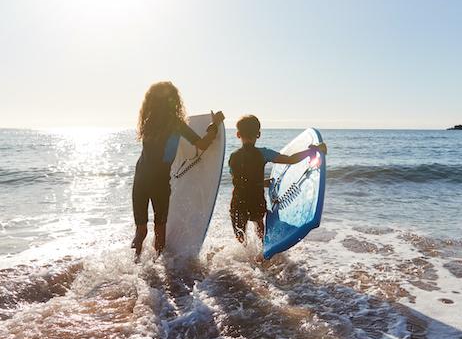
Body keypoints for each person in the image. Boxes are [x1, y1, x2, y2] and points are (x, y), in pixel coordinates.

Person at [132, 81, 224, 258]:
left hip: (140, 179)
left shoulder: (147, 122)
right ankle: (158, 265)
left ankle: (136, 264)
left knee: (141, 230)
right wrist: (214, 126)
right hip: (159, 182)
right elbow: (203, 144)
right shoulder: (176, 124)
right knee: (160, 229)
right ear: (174, 101)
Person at [228, 115, 327, 244]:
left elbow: (240, 180)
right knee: (259, 227)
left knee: (240, 237)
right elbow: (291, 160)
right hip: (256, 200)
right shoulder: (263, 153)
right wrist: (311, 151)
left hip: (238, 200)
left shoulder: (233, 156)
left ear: (238, 134)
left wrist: (262, 183)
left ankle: (242, 260)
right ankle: (263, 253)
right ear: (258, 134)